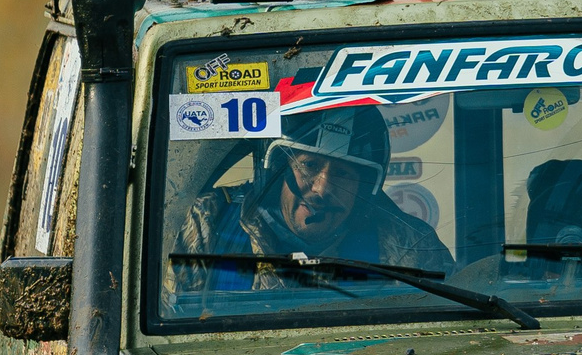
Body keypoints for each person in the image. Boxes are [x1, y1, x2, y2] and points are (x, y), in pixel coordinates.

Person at [171, 104, 451, 297]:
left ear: (364, 190)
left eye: (342, 173)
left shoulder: (408, 245)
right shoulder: (209, 222)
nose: (322, 188)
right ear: (277, 170)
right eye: (309, 165)